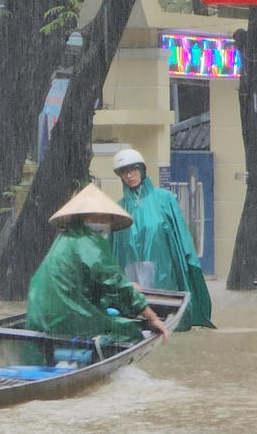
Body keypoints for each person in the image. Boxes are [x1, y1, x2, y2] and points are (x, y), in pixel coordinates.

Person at [26, 183, 171, 347]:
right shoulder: (89, 242)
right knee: (130, 332)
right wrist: (153, 318)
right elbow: (115, 283)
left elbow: (96, 282)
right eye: (97, 217)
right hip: (67, 318)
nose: (104, 222)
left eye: (106, 218)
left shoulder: (65, 239)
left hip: (38, 316)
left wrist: (127, 287)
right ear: (83, 218)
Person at [110, 148, 214, 330]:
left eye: (133, 169)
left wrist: (189, 262)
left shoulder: (164, 199)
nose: (129, 175)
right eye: (124, 172)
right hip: (132, 270)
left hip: (163, 268)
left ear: (142, 170)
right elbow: (113, 248)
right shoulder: (118, 208)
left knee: (165, 308)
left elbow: (181, 236)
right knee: (139, 318)